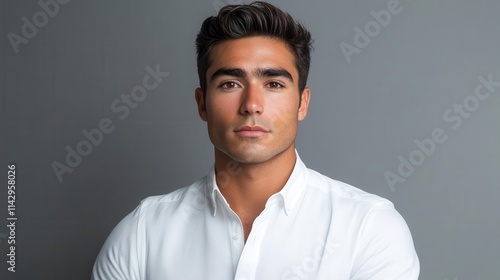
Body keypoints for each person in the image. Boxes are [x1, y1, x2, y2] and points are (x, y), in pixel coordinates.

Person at [92, 2, 420, 279]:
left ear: (302, 103)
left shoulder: (369, 229)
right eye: (230, 84)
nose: (251, 104)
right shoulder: (142, 234)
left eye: (274, 84)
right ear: (202, 104)